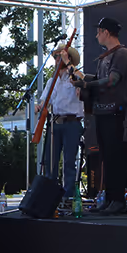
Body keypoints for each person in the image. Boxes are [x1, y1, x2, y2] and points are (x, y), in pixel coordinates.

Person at [72, 17, 127, 215]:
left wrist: (87, 84)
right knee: (106, 156)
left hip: (113, 110)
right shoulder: (105, 57)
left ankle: (118, 200)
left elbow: (113, 80)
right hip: (101, 110)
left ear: (106, 32)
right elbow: (99, 79)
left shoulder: (121, 53)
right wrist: (81, 80)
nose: (97, 35)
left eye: (99, 32)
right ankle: (110, 198)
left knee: (114, 155)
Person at [36, 45, 84, 200]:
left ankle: (68, 195)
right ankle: (50, 196)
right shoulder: (52, 80)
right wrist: (39, 107)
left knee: (69, 161)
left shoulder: (75, 77)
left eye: (60, 56)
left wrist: (68, 65)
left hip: (72, 122)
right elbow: (45, 101)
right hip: (55, 123)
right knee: (51, 161)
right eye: (56, 57)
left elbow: (83, 81)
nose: (57, 60)